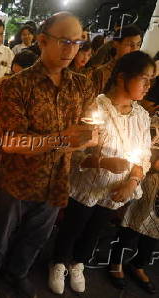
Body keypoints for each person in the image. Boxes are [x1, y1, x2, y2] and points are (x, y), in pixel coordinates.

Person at [0, 12, 96, 298]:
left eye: (77, 42)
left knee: (36, 237)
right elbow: (11, 142)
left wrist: (78, 141)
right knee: (2, 234)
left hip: (56, 179)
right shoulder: (17, 85)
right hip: (17, 178)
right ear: (43, 41)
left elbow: (87, 134)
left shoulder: (80, 85)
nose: (71, 49)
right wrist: (62, 139)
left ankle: (17, 272)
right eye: (64, 41)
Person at [49, 51, 154, 295]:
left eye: (152, 80)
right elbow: (74, 155)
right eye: (144, 78)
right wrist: (104, 162)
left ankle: (78, 263)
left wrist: (133, 181)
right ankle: (58, 262)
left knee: (95, 229)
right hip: (86, 186)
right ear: (121, 78)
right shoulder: (96, 108)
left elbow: (145, 156)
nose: (149, 86)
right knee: (73, 225)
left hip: (115, 191)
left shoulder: (141, 116)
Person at [108, 113, 159, 295]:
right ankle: (116, 261)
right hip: (150, 181)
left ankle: (138, 265)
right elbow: (146, 153)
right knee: (133, 225)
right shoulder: (155, 122)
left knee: (155, 232)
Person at [0, 49, 38, 131]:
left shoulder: (40, 92)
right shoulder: (7, 85)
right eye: (13, 74)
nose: (15, 80)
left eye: (20, 75)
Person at [92, 25, 143, 95]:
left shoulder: (138, 73)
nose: (134, 49)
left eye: (138, 45)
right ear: (116, 44)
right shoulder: (101, 74)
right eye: (130, 45)